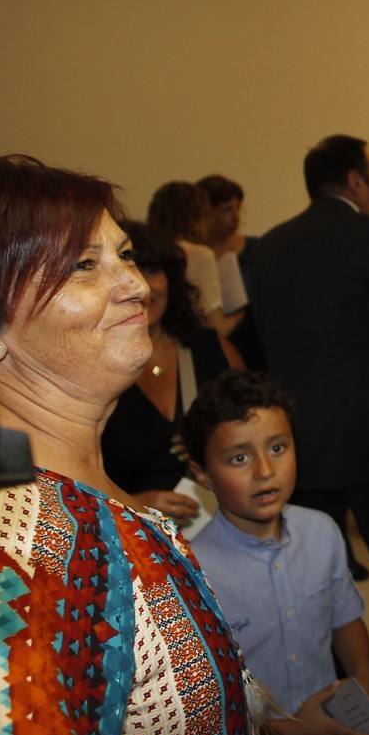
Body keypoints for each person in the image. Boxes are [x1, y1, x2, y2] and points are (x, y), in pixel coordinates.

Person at [0, 154, 257, 735]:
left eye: (124, 255)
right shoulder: (3, 554)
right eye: (84, 265)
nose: (135, 286)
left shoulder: (51, 487)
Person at [251, 134, 369, 735]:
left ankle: (338, 723)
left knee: (311, 586)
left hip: (297, 445)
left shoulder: (269, 248)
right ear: (355, 181)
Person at [184, 370, 369, 735]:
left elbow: (346, 624)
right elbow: (204, 704)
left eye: (277, 448)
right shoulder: (194, 572)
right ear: (202, 474)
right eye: (239, 457)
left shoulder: (321, 531)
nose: (264, 471)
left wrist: (364, 699)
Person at [101, 220, 243, 526]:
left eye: (151, 270)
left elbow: (254, 434)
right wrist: (131, 506)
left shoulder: (211, 349)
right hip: (133, 543)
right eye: (128, 270)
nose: (140, 286)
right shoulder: (87, 371)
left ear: (172, 281)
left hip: (222, 532)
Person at [148, 180, 246, 338]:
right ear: (197, 217)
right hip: (186, 348)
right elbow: (217, 327)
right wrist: (242, 314)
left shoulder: (148, 250)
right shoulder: (199, 255)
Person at [198, 173, 267, 369]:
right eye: (225, 210)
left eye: (238, 208)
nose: (235, 216)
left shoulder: (256, 248)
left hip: (255, 346)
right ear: (205, 213)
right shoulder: (195, 256)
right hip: (214, 345)